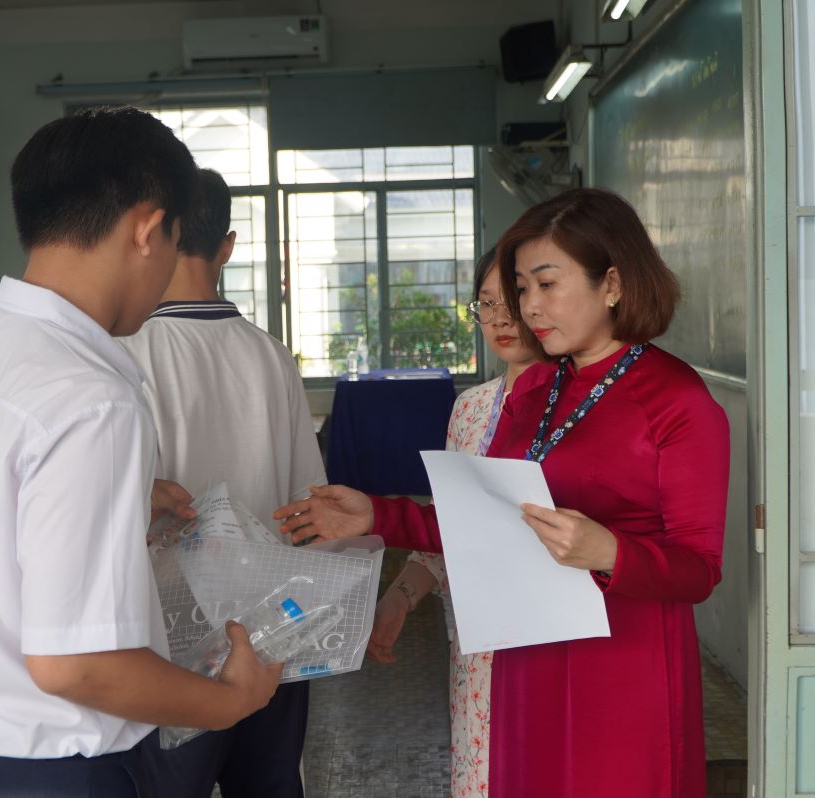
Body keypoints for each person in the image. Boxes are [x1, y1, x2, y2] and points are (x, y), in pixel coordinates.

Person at [274, 187, 729, 798]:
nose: (529, 307)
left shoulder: (675, 399)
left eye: (547, 284)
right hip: (526, 655)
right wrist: (379, 516)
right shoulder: (534, 392)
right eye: (521, 288)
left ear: (613, 283)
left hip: (622, 663)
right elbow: (486, 530)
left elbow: (698, 569)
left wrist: (610, 552)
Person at [0, 107, 282, 798]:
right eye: (171, 240)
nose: (167, 268)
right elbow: (77, 664)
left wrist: (125, 501)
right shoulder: (91, 397)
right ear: (145, 227)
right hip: (54, 777)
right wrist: (232, 699)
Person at [120, 167, 326, 798]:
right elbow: (308, 507)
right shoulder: (269, 353)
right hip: (272, 628)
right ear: (228, 245)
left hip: (167, 640)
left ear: (151, 236)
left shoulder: (128, 352)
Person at [369, 245, 538, 798]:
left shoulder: (580, 406)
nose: (500, 320)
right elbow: (451, 533)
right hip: (477, 655)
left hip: (552, 648)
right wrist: (400, 597)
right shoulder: (470, 409)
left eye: (512, 300)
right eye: (485, 304)